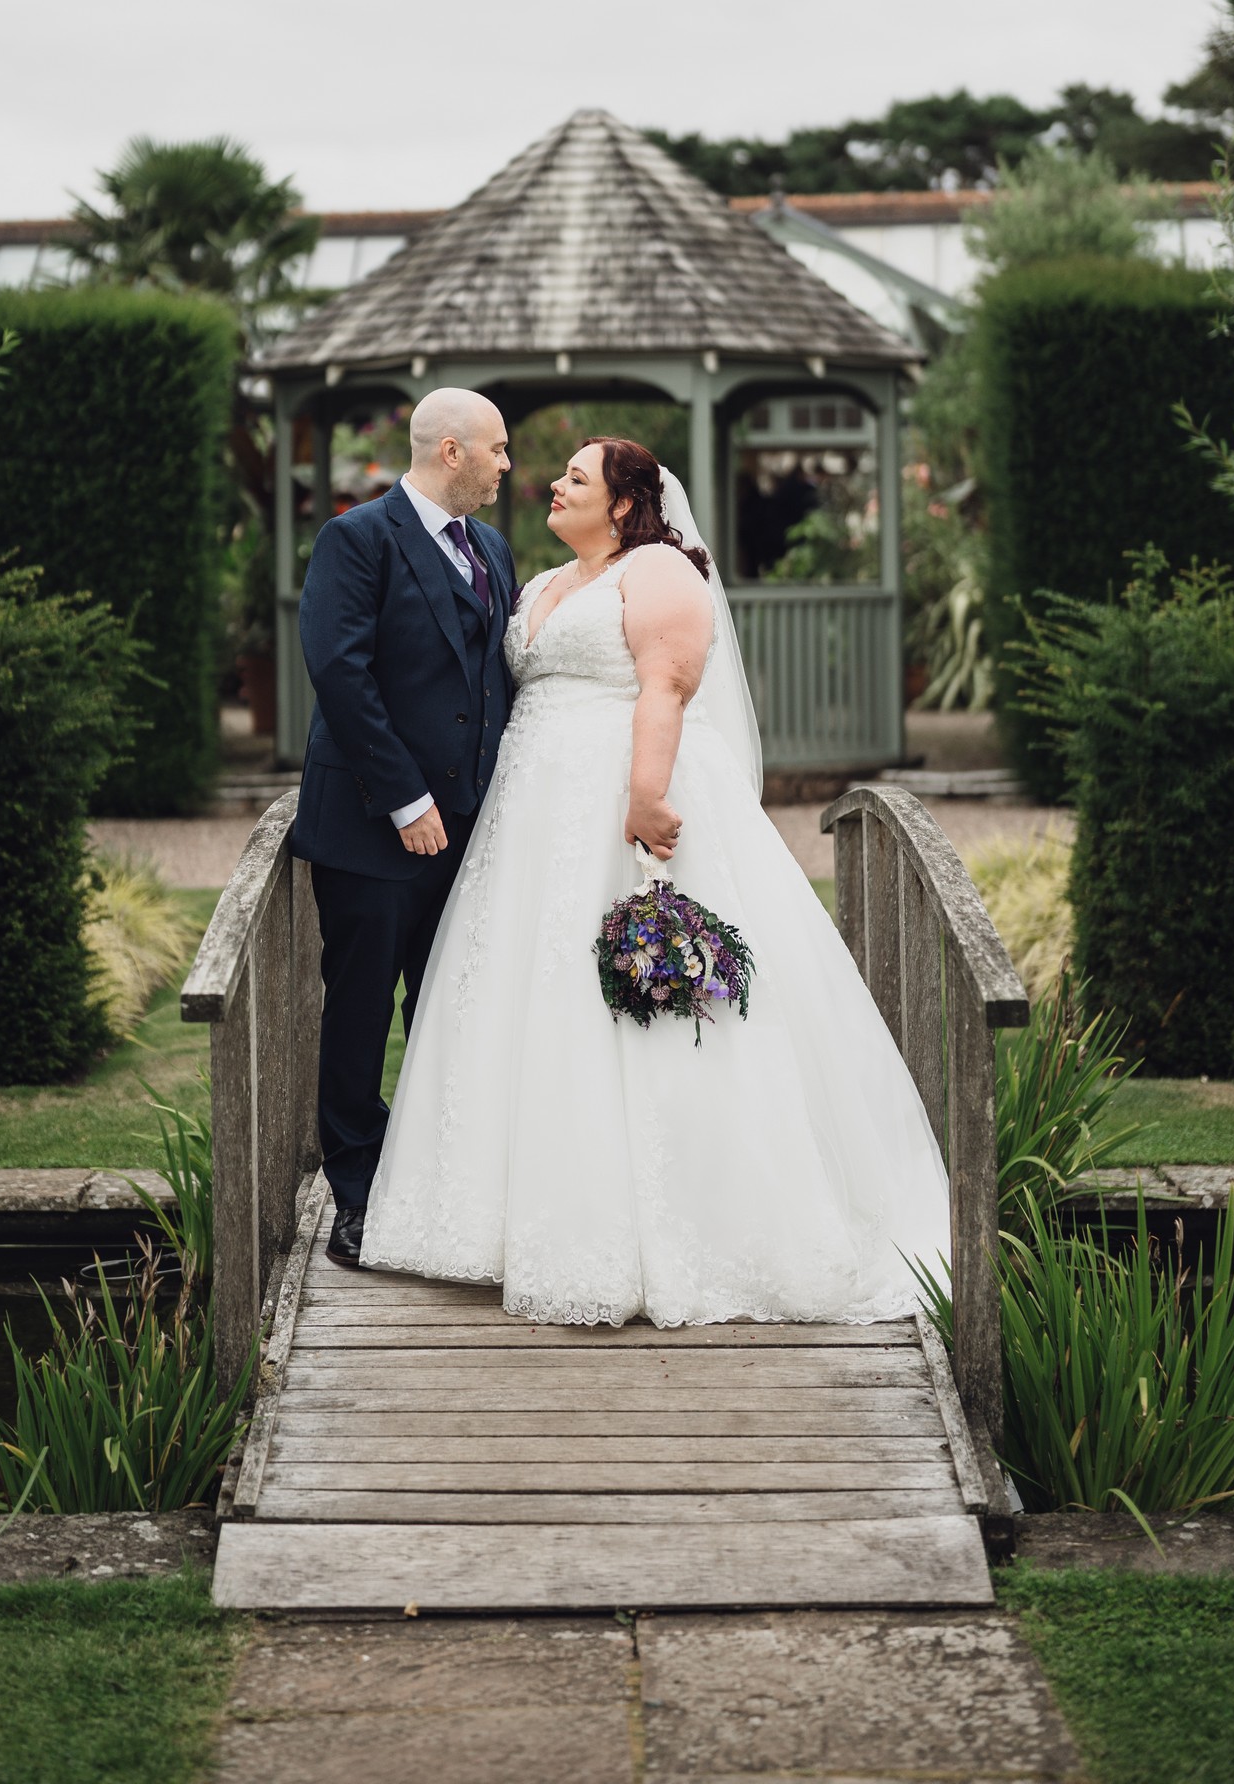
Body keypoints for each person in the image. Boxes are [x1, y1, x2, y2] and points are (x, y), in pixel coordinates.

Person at [361, 436, 950, 1326]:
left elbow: (665, 689)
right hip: (531, 824)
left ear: (627, 504)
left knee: (648, 1009)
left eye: (575, 478)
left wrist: (644, 797)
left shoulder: (661, 573)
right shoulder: (543, 585)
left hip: (620, 802)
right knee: (534, 1005)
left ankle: (684, 1224)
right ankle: (504, 1219)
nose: (552, 486)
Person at [294, 388, 517, 1269]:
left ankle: (434, 1186)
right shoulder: (357, 539)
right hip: (372, 829)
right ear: (452, 451)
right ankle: (355, 1198)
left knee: (448, 1009)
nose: (509, 467)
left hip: (472, 829)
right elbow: (341, 673)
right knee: (358, 1014)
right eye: (497, 451)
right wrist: (406, 800)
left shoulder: (491, 549)